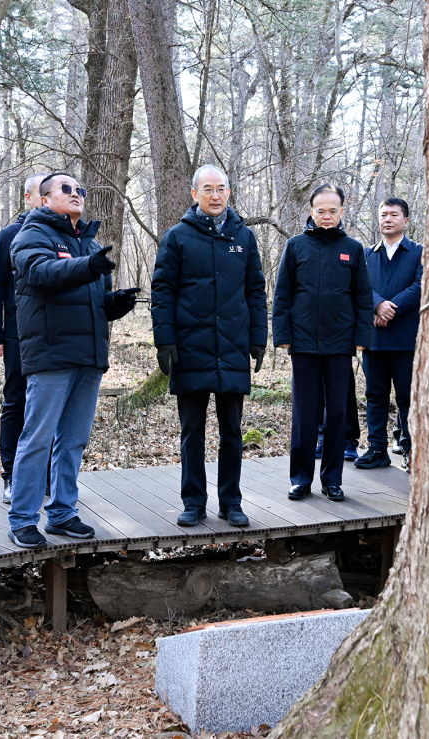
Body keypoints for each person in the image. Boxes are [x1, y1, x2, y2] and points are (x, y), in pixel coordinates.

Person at [6, 172, 141, 548]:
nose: (76, 193)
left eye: (79, 189)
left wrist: (115, 304)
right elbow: (41, 274)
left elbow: (93, 301)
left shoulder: (89, 244)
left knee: (74, 440)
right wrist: (88, 267)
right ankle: (22, 519)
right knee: (37, 438)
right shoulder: (32, 235)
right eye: (66, 188)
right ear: (44, 199)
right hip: (51, 354)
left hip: (88, 355)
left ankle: (62, 512)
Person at [150, 164, 268, 528]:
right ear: (194, 194)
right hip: (190, 346)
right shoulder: (177, 237)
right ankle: (193, 501)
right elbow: (162, 291)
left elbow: (255, 290)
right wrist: (164, 339)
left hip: (232, 346)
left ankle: (231, 502)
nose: (215, 196)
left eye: (221, 189)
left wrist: (258, 338)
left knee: (232, 430)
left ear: (229, 192)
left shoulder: (244, 237)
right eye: (208, 189)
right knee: (192, 431)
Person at [272, 184, 372, 502]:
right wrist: (283, 336)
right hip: (303, 343)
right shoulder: (295, 246)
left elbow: (363, 297)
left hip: (341, 344)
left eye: (332, 210)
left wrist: (362, 337)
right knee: (304, 414)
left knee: (338, 414)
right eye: (320, 210)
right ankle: (301, 479)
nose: (326, 216)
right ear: (311, 211)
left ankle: (332, 480)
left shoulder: (352, 249)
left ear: (342, 212)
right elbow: (282, 294)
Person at [0, 172, 49, 504]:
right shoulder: (8, 236)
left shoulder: (62, 235)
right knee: (16, 402)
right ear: (28, 198)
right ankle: (11, 476)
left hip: (54, 336)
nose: (47, 198)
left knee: (50, 407)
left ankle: (47, 478)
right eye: (41, 193)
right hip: (17, 336)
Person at [354, 197, 423, 472]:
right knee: (375, 395)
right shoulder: (367, 254)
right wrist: (377, 305)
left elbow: (421, 285)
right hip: (375, 339)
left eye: (394, 214)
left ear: (406, 220)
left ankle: (410, 449)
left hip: (406, 339)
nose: (388, 219)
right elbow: (358, 286)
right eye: (383, 214)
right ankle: (377, 449)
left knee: (407, 397)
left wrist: (391, 308)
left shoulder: (419, 252)